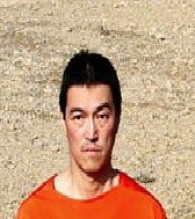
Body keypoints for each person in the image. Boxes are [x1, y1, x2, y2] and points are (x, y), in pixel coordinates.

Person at [16, 51, 166, 219]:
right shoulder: (35, 212)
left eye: (101, 116)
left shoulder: (145, 210)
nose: (91, 133)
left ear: (117, 119)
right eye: (78, 117)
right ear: (64, 122)